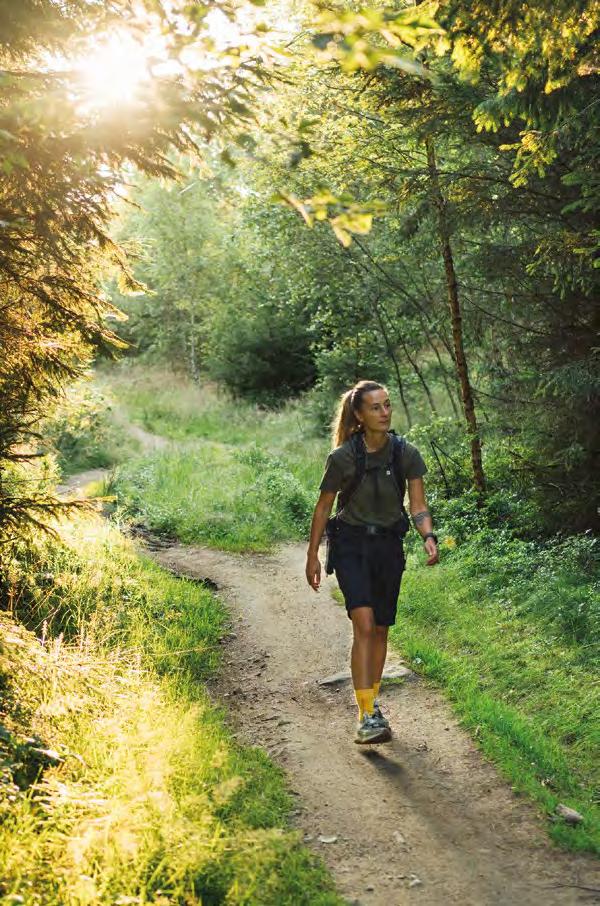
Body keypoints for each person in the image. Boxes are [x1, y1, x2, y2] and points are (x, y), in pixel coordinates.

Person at [305, 380, 439, 744]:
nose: (384, 412)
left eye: (387, 405)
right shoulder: (342, 457)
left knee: (380, 628)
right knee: (363, 624)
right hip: (351, 545)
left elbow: (418, 505)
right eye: (376, 407)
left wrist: (428, 536)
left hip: (388, 546)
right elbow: (323, 508)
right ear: (360, 416)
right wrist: (312, 555)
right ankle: (366, 714)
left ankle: (372, 703)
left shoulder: (405, 453)